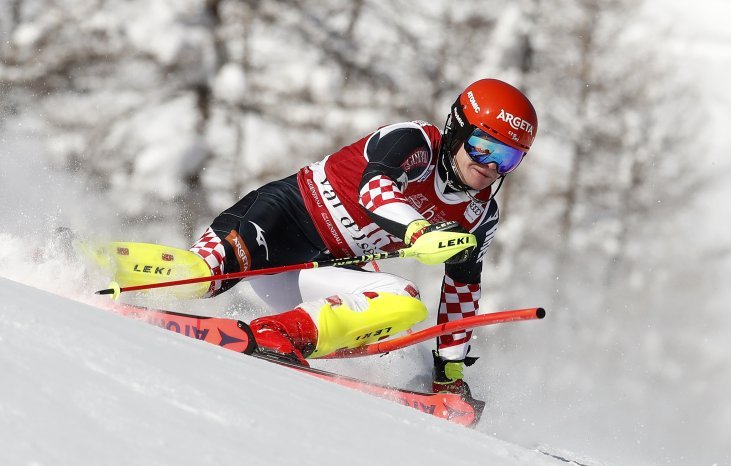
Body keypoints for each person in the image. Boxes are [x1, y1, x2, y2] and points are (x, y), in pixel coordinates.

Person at [189, 78, 537, 397]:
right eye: (483, 147)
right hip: (278, 223)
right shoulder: (416, 141)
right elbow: (375, 189)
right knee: (200, 277)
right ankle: (136, 274)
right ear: (459, 131)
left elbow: (462, 293)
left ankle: (278, 334)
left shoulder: (481, 215)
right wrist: (420, 232)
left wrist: (449, 370)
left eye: (508, 158)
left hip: (313, 272)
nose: (490, 166)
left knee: (404, 304)